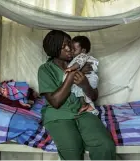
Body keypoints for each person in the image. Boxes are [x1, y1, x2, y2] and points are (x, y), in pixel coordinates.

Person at [38, 30, 116, 160]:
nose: (69, 49)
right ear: (54, 48)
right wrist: (72, 74)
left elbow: (94, 96)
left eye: (70, 44)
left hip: (83, 112)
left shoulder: (80, 62)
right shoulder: (45, 69)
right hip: (58, 116)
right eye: (64, 46)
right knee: (73, 151)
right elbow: (55, 102)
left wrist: (85, 84)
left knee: (105, 146)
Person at [63, 36, 99, 115]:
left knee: (80, 90)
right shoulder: (75, 58)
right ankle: (87, 105)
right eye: (71, 48)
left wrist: (71, 68)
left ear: (83, 50)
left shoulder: (82, 56)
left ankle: (86, 105)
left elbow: (79, 63)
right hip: (88, 79)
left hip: (89, 79)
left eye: (74, 49)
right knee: (81, 92)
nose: (71, 51)